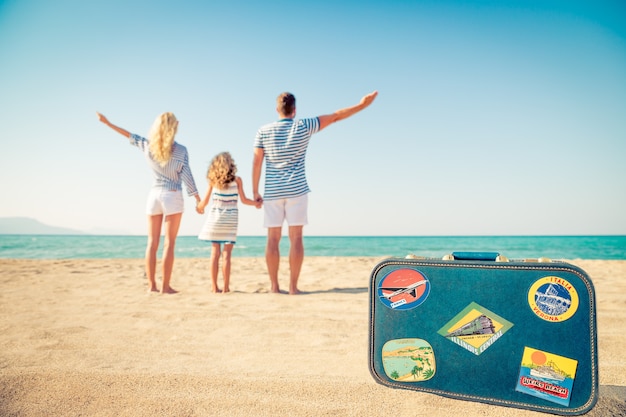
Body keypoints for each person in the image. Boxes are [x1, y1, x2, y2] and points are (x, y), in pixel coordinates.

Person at [252, 90, 378, 294]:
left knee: (272, 239)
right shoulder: (303, 125)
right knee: (296, 238)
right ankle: (293, 287)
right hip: (297, 190)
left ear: (277, 110)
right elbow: (336, 116)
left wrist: (255, 191)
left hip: (273, 191)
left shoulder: (263, 131)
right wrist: (362, 105)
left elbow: (257, 161)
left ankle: (274, 287)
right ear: (294, 110)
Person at [96, 111, 201, 294]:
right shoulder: (181, 150)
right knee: (169, 243)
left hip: (153, 196)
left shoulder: (147, 145)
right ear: (173, 127)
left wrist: (107, 123)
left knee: (152, 243)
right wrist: (197, 197)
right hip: (172, 194)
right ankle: (165, 287)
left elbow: (128, 134)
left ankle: (152, 286)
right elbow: (187, 175)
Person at [197, 152, 260, 293]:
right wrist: (256, 203)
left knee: (214, 253)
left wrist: (199, 207)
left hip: (215, 218)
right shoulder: (237, 180)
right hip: (230, 219)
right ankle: (226, 287)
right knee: (227, 255)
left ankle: (214, 287)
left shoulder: (213, 181)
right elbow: (244, 200)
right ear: (230, 164)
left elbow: (205, 202)